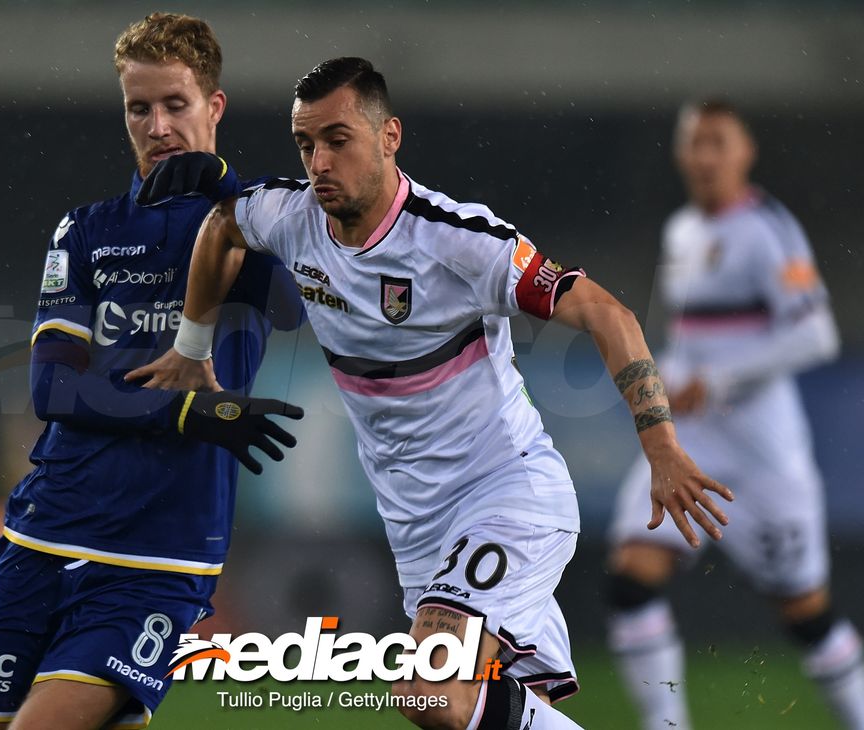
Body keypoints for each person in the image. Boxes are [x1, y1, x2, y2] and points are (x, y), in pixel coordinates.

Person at [132, 57, 733, 730]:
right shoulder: (289, 217)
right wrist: (190, 349)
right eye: (306, 145)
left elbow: (607, 313)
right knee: (485, 712)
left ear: (389, 137)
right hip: (418, 533)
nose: (319, 163)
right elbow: (223, 226)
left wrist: (661, 444)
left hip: (506, 495)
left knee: (428, 693)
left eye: (338, 140)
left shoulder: (457, 241)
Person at [0, 13, 303, 730]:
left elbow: (291, 307)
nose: (158, 125)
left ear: (215, 107)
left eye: (176, 104)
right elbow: (53, 389)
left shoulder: (260, 216)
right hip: (41, 536)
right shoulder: (87, 231)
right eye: (140, 107)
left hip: (157, 560)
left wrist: (228, 196)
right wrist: (180, 411)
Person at [603, 99, 864, 730]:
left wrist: (718, 378)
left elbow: (816, 336)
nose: (704, 155)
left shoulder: (767, 230)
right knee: (630, 580)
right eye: (694, 142)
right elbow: (691, 340)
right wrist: (669, 378)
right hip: (691, 443)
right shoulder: (683, 233)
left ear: (745, 152)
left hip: (763, 455)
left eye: (718, 142)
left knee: (807, 616)